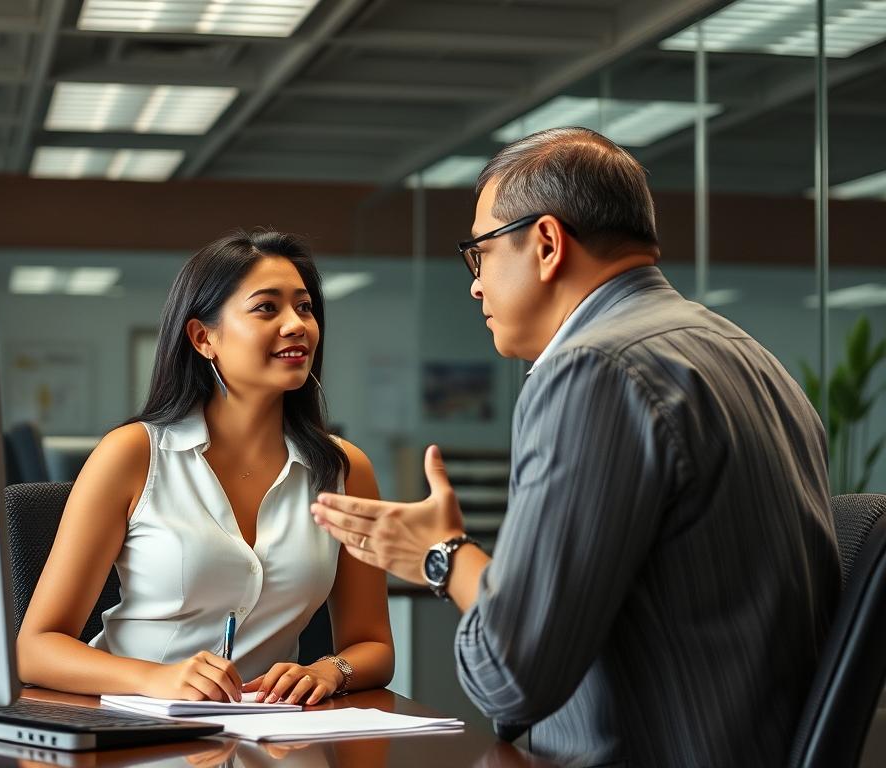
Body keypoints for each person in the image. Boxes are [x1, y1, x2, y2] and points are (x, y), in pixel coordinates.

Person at [311, 127, 840, 766]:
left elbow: (509, 678)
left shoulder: (593, 369)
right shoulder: (748, 356)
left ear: (546, 243)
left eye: (479, 254)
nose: (475, 285)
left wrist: (441, 553)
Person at [17, 230, 394, 705]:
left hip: (271, 737)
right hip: (133, 728)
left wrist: (330, 669)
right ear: (203, 337)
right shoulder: (132, 454)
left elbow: (374, 645)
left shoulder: (343, 470)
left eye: (304, 307)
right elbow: (35, 650)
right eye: (266, 308)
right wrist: (155, 679)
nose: (297, 324)